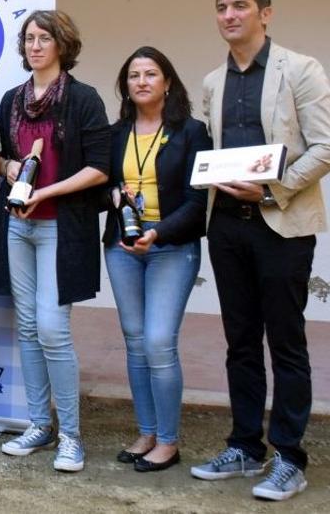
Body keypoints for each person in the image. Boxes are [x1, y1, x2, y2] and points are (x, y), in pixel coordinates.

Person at [190, 0, 330, 501]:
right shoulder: (212, 81)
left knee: (286, 342)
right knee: (241, 341)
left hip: (281, 224)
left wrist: (273, 190)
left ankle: (289, 457)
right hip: (227, 226)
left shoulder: (301, 69)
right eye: (221, 6)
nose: (229, 14)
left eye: (240, 6)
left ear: (265, 14)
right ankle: (245, 447)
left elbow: (325, 146)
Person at [0, 10, 109, 472]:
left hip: (62, 225)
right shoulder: (12, 100)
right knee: (27, 326)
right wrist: (10, 168)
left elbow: (99, 167)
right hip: (18, 226)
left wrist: (46, 192)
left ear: (62, 44)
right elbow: (3, 157)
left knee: (53, 329)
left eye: (44, 38)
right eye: (29, 39)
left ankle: (71, 436)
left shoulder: (83, 99)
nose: (35, 46)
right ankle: (39, 425)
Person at [103, 46, 210, 472]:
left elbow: (198, 202)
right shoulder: (116, 133)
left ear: (167, 82)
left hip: (171, 246)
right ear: (125, 85)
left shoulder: (192, 132)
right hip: (123, 246)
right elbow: (102, 185)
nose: (141, 81)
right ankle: (146, 432)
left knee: (158, 341)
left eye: (150, 74)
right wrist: (112, 194)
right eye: (134, 75)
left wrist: (158, 232)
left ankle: (168, 441)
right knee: (134, 340)